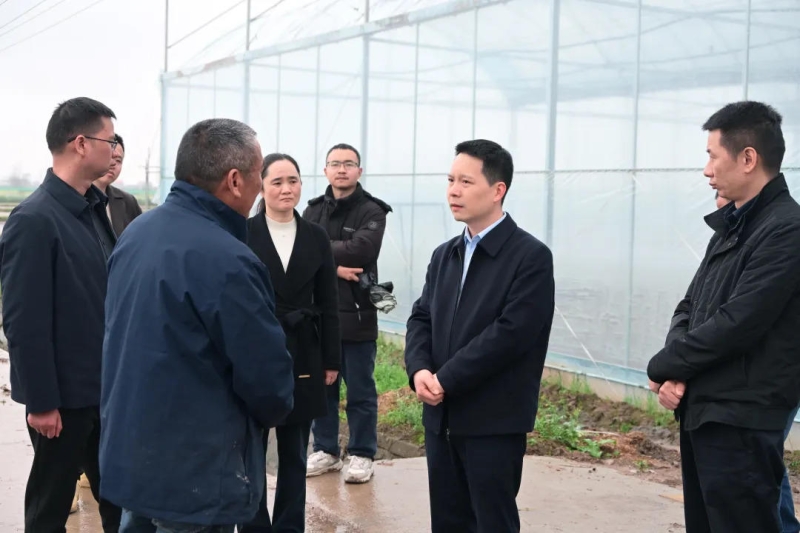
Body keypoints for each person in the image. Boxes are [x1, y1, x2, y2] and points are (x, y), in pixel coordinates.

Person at [99, 118, 295, 533]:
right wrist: (276, 409)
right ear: (235, 181)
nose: (261, 187)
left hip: (132, 453)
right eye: (259, 175)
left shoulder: (137, 233)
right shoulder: (229, 259)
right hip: (195, 474)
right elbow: (266, 378)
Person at [647, 101, 800, 533]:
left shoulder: (786, 229)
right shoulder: (734, 225)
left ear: (748, 158)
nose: (707, 170)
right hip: (708, 412)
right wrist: (675, 368)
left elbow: (740, 322)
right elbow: (690, 306)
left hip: (742, 419)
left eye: (713, 156)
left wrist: (665, 365)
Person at [404, 139, 555, 532]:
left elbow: (511, 335)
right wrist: (419, 369)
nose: (453, 191)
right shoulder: (445, 254)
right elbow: (421, 317)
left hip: (493, 422)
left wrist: (446, 379)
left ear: (497, 189)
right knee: (448, 522)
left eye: (466, 182)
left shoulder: (530, 257)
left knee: (492, 522)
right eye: (450, 180)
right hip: (441, 418)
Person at [0, 97, 121, 532]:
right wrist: (42, 401)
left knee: (119, 499)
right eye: (109, 141)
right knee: (50, 506)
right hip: (63, 401)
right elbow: (23, 321)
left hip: (103, 390)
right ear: (80, 144)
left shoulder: (92, 209)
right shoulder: (34, 219)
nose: (115, 151)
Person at [238, 153, 341, 533]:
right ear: (261, 186)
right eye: (277, 182)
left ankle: (289, 527)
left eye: (293, 180)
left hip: (305, 350)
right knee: (251, 448)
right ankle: (254, 526)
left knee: (296, 451)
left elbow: (329, 302)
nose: (286, 189)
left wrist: (331, 359)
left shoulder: (315, 236)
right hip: (255, 351)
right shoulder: (243, 232)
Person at [303, 143, 392, 484]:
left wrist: (321, 253)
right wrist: (336, 268)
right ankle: (326, 450)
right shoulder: (312, 210)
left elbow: (362, 251)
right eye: (335, 163)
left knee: (360, 390)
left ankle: (362, 453)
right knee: (322, 387)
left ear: (359, 170)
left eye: (349, 164)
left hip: (357, 315)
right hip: (320, 317)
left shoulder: (373, 211)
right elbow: (299, 250)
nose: (342, 169)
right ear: (325, 170)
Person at [92, 133, 143, 235]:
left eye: (118, 160)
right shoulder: (75, 197)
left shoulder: (129, 202)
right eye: (109, 156)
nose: (113, 163)